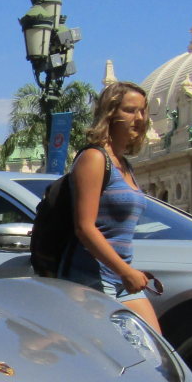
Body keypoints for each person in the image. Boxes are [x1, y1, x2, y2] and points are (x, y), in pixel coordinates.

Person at [58, 81, 162, 333]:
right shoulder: (94, 158)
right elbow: (84, 227)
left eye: (142, 111)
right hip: (91, 280)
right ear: (110, 114)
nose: (138, 118)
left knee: (156, 352)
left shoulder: (124, 165)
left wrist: (126, 272)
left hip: (121, 280)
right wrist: (125, 271)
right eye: (129, 110)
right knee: (110, 359)